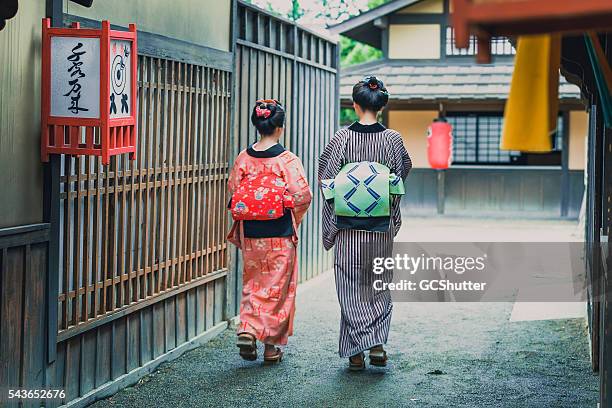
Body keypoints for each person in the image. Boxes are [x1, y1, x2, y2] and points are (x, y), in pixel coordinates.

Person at [318, 76, 411, 370]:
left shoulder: (341, 138)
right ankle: (376, 344)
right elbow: (401, 174)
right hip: (380, 225)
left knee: (350, 284)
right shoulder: (392, 139)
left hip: (347, 227)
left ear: (355, 105)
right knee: (378, 282)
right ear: (380, 107)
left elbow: (327, 179)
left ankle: (356, 351)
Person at [227, 99, 312, 363]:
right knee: (278, 288)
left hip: (251, 232)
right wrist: (292, 218)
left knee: (253, 283)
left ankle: (248, 329)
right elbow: (302, 196)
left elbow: (234, 192)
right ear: (280, 128)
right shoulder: (287, 160)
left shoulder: (243, 158)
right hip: (279, 231)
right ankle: (272, 347)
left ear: (258, 125)